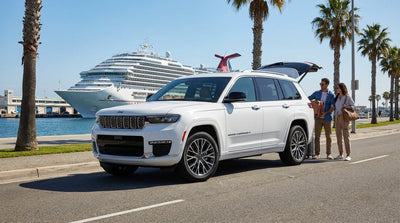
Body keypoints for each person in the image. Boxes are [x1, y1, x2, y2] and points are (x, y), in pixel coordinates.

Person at [308, 78, 335, 159]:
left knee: (328, 136)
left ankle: (328, 154)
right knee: (317, 136)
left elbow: (332, 107)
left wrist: (325, 113)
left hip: (327, 118)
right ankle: (317, 154)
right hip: (318, 118)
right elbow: (308, 98)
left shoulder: (331, 95)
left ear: (327, 85)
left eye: (322, 84)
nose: (321, 85)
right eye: (320, 84)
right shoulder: (317, 93)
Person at [334, 83, 355, 161]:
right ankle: (340, 154)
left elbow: (353, 107)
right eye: (336, 88)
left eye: (337, 88)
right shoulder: (336, 97)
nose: (336, 89)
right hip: (337, 118)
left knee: (346, 136)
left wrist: (346, 106)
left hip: (344, 118)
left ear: (342, 88)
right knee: (338, 136)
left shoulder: (347, 97)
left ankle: (348, 154)